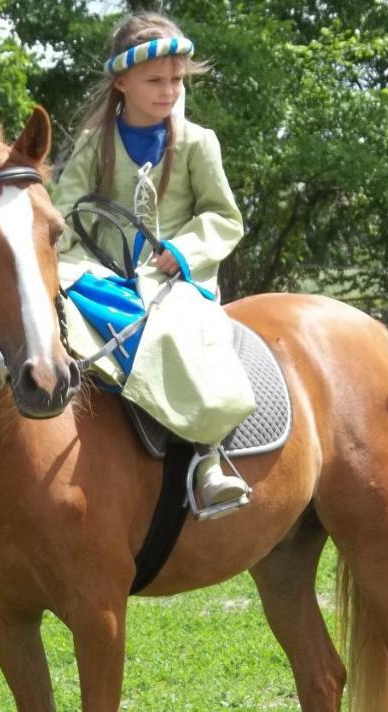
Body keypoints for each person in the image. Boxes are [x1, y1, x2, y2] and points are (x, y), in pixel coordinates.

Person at [53, 12, 256, 517]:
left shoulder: (196, 143)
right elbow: (63, 213)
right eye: (154, 80)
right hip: (98, 271)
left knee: (181, 332)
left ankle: (208, 458)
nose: (168, 90)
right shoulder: (92, 143)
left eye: (175, 79)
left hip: (174, 279)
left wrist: (185, 250)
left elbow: (223, 217)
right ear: (122, 82)